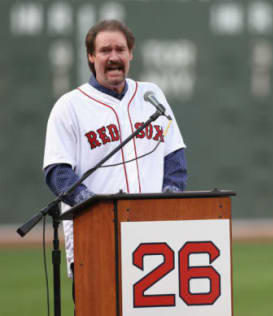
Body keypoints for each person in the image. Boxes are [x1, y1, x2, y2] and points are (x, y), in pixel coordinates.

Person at [43, 19, 187, 279]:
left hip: (155, 238)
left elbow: (175, 158)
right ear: (90, 56)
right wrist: (98, 209)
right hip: (95, 237)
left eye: (120, 49)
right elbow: (57, 172)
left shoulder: (151, 96)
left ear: (131, 53)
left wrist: (168, 204)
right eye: (105, 50)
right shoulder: (69, 106)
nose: (113, 57)